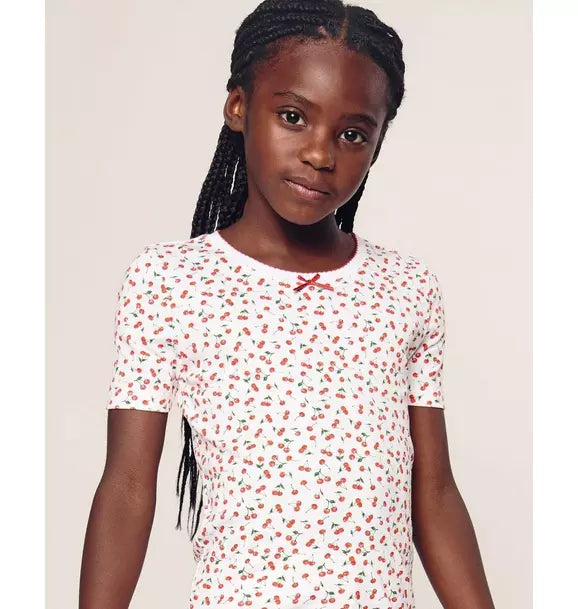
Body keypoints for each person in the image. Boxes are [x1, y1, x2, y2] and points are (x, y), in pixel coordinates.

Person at [79, 1, 495, 608]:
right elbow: (126, 488)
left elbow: (433, 493)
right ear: (238, 107)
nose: (321, 154)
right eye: (294, 117)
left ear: (378, 143)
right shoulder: (167, 282)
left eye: (353, 134)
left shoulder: (408, 289)